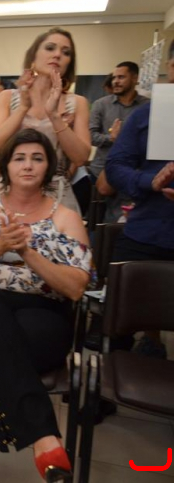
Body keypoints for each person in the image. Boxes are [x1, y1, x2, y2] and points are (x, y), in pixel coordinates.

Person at [0, 128, 90, 483]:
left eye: (37, 158)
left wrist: (28, 252)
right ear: (6, 166)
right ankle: (41, 430)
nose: (28, 165)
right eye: (20, 158)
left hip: (40, 317)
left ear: (48, 167)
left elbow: (75, 288)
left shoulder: (66, 217)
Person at [104, 39, 174, 359]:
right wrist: (150, 181)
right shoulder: (146, 116)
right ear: (170, 67)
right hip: (146, 231)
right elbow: (115, 167)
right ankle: (112, 374)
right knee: (117, 321)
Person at [0, 27, 91, 214]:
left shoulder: (78, 103)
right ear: (33, 57)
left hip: (57, 196)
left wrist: (54, 116)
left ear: (69, 63)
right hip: (12, 192)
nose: (57, 55)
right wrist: (22, 109)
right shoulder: (7, 98)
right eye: (50, 48)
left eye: (66, 52)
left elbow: (81, 157)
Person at [88, 61, 148, 181]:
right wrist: (110, 138)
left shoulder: (147, 106)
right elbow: (90, 136)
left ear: (135, 78)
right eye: (114, 77)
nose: (115, 81)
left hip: (134, 172)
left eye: (121, 77)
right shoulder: (101, 104)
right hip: (101, 171)